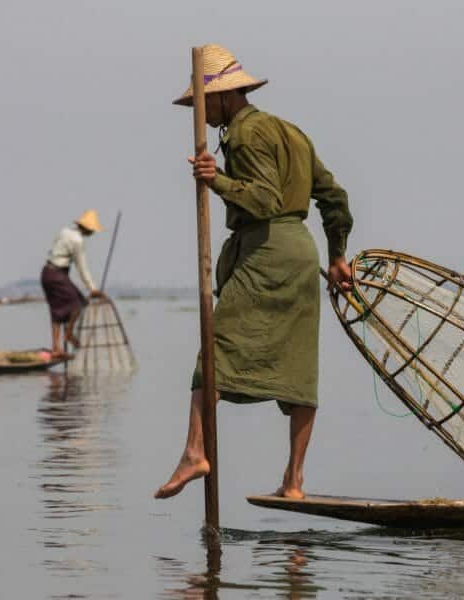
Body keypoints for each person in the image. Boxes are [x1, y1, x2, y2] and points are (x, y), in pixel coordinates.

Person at [154, 44, 353, 501]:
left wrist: (215, 179)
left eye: (203, 106)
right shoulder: (291, 131)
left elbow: (262, 200)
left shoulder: (245, 135)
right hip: (301, 254)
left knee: (214, 352)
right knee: (301, 371)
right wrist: (338, 254)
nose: (200, 117)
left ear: (226, 99)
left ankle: (193, 452)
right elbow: (335, 198)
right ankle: (295, 481)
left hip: (266, 254)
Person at [40, 210, 104, 358]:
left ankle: (56, 348)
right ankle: (68, 334)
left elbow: (55, 249)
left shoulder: (64, 231)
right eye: (92, 230)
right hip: (56, 275)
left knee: (56, 310)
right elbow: (82, 267)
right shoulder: (78, 241)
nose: (93, 233)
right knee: (79, 303)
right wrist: (93, 289)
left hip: (47, 273)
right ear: (87, 228)